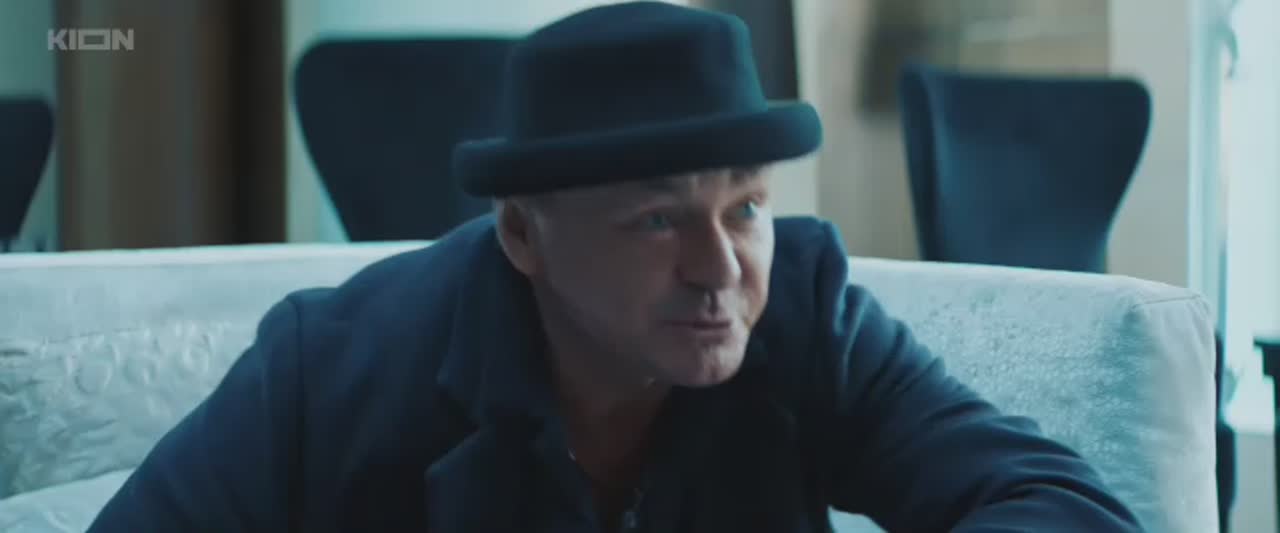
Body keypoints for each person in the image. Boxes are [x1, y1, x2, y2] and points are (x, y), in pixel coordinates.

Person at [88, 2, 1142, 532]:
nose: (718, 267)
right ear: (522, 235)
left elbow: (1060, 503)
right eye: (655, 219)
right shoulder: (333, 367)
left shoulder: (805, 313)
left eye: (745, 207)